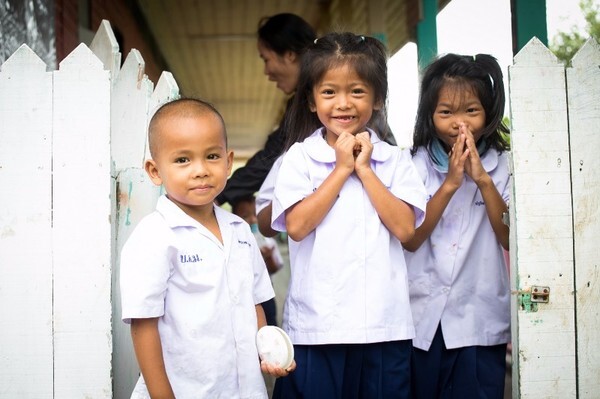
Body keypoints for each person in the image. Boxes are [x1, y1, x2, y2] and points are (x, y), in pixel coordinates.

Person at [270, 32, 428, 399]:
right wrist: (341, 169)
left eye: (357, 91)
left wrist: (366, 170)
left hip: (384, 328)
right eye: (329, 92)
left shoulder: (394, 161)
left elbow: (406, 229)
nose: (343, 103)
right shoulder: (299, 159)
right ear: (311, 100)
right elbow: (296, 226)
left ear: (378, 100)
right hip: (318, 326)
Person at [119, 98, 293, 399]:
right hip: (186, 390)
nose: (200, 170)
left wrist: (267, 353)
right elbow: (143, 326)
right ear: (155, 170)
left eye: (212, 156)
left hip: (245, 389)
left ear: (228, 162)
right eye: (183, 160)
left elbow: (254, 304)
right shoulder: (155, 236)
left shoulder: (239, 231)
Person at [403, 53, 511, 399]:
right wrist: (450, 183)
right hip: (422, 318)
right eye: (446, 112)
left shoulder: (504, 166)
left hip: (479, 320)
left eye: (471, 111)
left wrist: (482, 181)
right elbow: (412, 238)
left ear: (489, 114)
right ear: (430, 116)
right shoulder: (415, 166)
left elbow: (508, 237)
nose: (458, 124)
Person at [215, 13, 317, 206]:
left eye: (266, 59)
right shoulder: (304, 100)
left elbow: (271, 157)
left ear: (289, 54)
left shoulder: (315, 100)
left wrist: (219, 196)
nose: (266, 72)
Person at [232, 193, 284, 326]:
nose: (252, 220)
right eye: (244, 216)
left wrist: (267, 258)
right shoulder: (234, 242)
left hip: (265, 295)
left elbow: (275, 268)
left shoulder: (267, 240)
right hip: (242, 295)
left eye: (255, 214)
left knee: (269, 323)